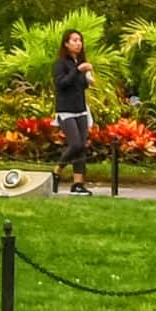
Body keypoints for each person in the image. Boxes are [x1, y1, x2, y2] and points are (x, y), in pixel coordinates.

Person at [53, 29, 95, 196]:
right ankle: (57, 170)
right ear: (66, 43)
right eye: (74, 40)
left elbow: (80, 86)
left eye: (80, 40)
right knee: (75, 144)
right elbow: (61, 83)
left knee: (82, 147)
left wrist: (87, 79)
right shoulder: (60, 63)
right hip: (66, 110)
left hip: (80, 109)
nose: (78, 43)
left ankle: (78, 184)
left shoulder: (81, 62)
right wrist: (77, 70)